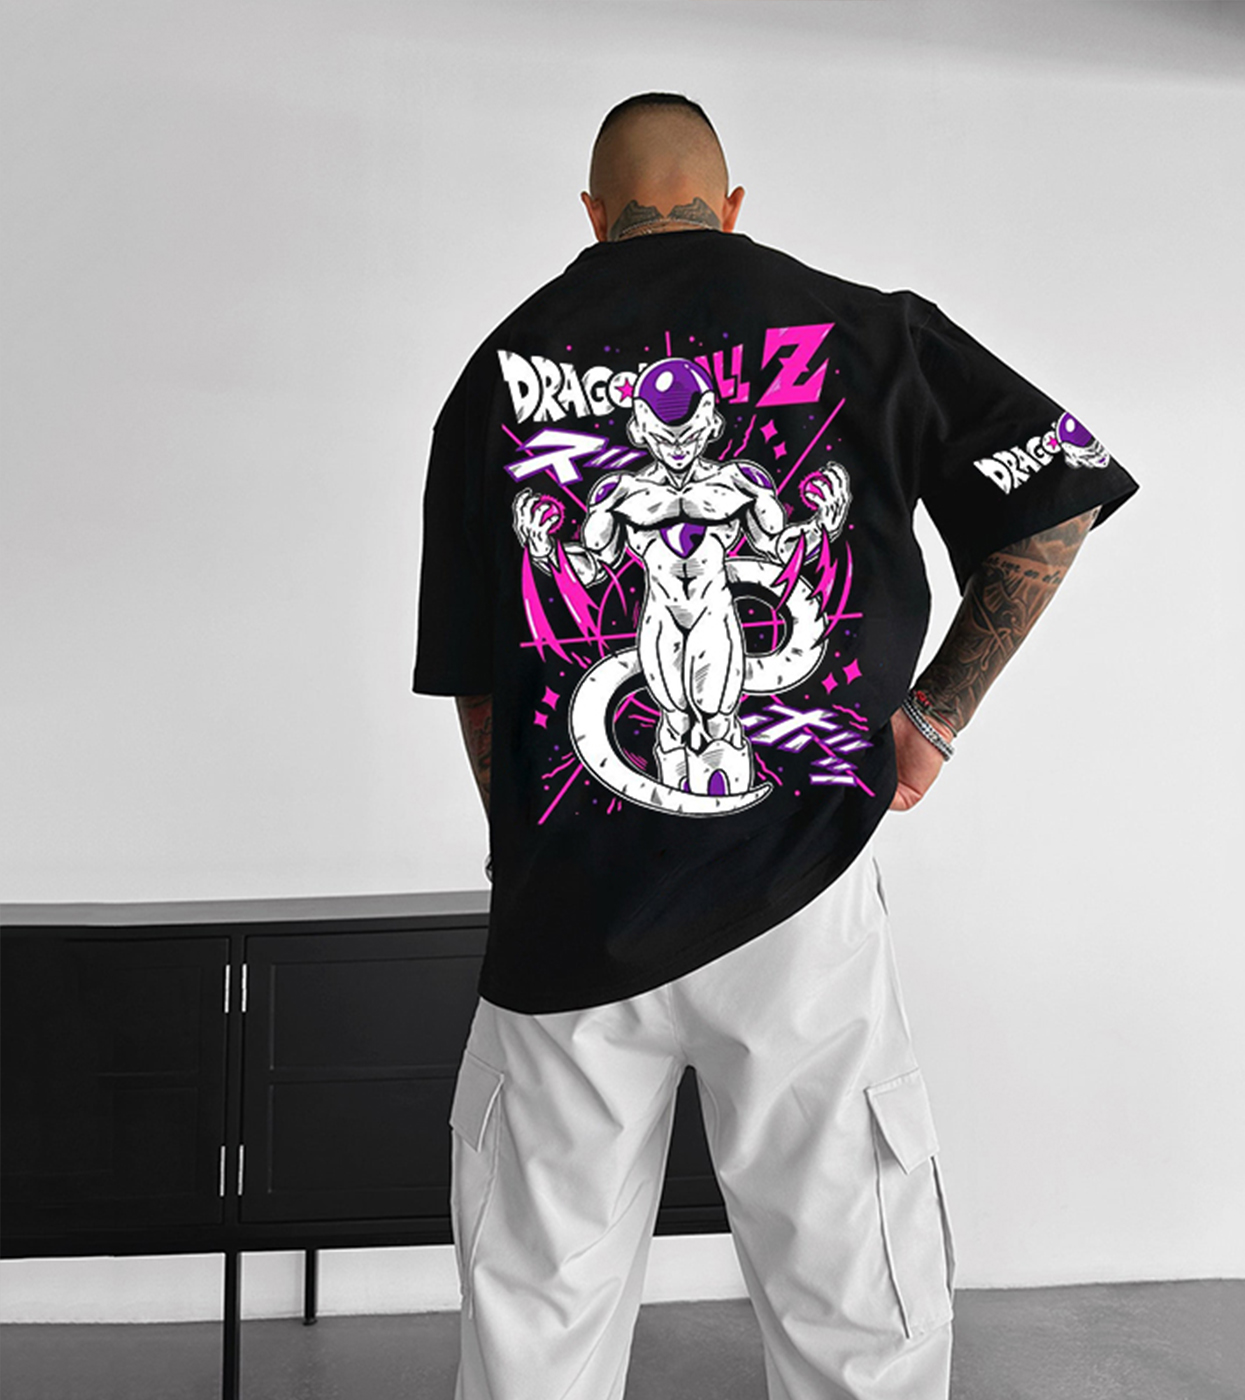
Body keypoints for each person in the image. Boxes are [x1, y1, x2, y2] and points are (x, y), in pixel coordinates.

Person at [414, 92, 1137, 1400]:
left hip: (571, 912)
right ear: (731, 204)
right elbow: (1055, 495)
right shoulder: (865, 330)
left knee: (536, 1325)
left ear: (593, 214)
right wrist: (934, 719)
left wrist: (531, 849)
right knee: (854, 1305)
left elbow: (478, 681)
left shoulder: (496, 374)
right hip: (798, 894)